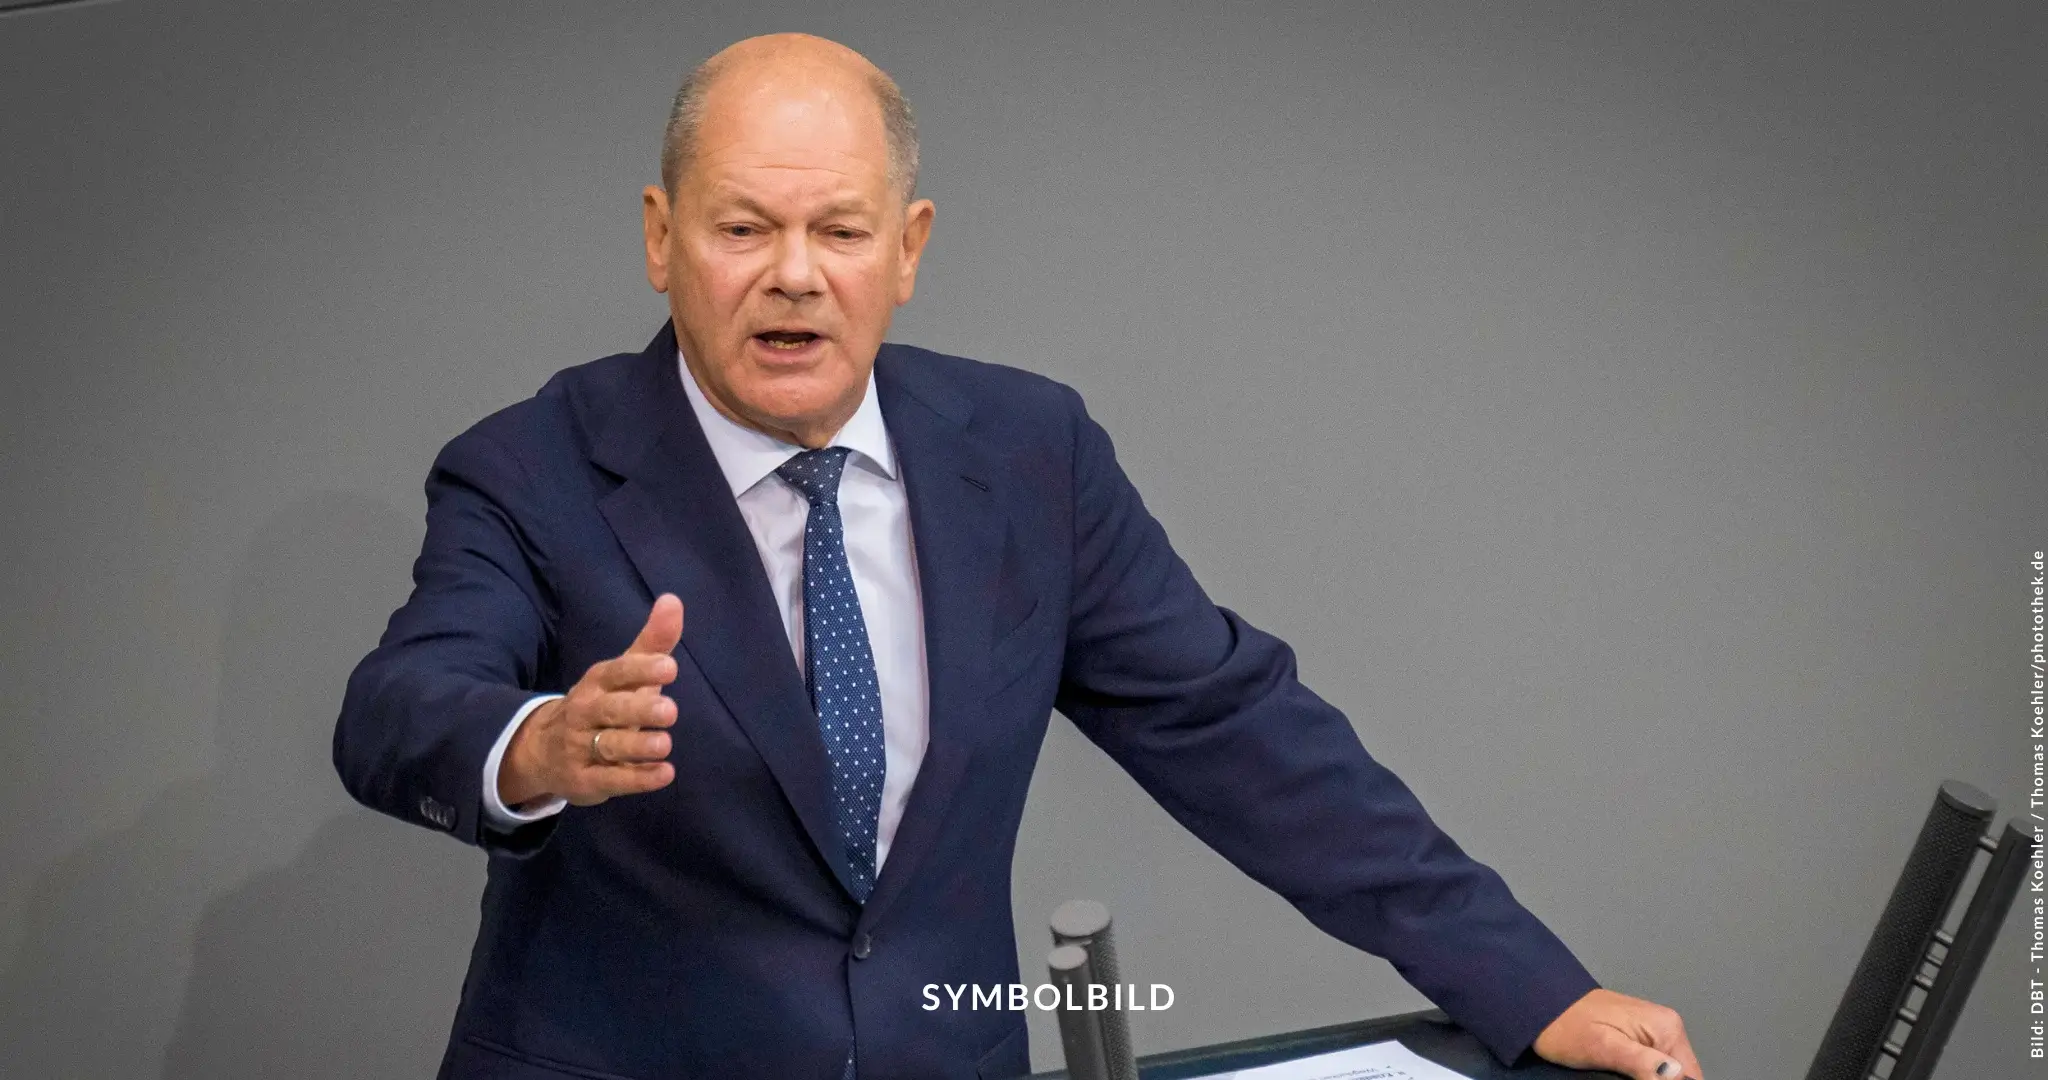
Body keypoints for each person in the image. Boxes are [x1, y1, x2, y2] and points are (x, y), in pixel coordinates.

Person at [334, 32, 1705, 1080]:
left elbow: (1236, 730)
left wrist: (1535, 990)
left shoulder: (1027, 454)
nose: (795, 273)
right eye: (744, 227)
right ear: (661, 237)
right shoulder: (536, 462)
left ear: (909, 250)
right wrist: (535, 749)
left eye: (840, 231)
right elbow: (400, 705)